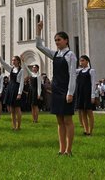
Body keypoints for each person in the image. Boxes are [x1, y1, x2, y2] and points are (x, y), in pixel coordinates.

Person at [36, 20, 77, 156]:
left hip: (66, 90)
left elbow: (72, 75)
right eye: (55, 40)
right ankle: (61, 148)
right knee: (59, 121)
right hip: (56, 89)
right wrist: (39, 31)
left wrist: (70, 93)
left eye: (59, 40)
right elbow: (39, 47)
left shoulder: (70, 55)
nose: (57, 42)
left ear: (66, 41)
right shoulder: (55, 54)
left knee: (67, 120)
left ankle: (69, 150)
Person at [0, 47, 25, 130]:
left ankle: (18, 126)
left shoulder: (21, 70)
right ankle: (13, 126)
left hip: (16, 88)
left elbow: (21, 82)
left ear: (18, 61)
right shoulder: (11, 69)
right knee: (12, 109)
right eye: (12, 60)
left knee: (17, 109)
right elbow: (3, 63)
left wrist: (19, 93)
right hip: (10, 88)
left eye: (14, 60)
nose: (13, 61)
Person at [74, 55, 96, 136]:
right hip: (80, 93)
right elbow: (71, 70)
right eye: (80, 61)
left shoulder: (91, 71)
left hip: (87, 93)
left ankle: (91, 130)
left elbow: (93, 83)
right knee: (82, 112)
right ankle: (86, 130)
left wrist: (93, 95)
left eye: (83, 60)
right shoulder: (79, 71)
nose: (81, 62)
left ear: (87, 61)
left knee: (89, 112)